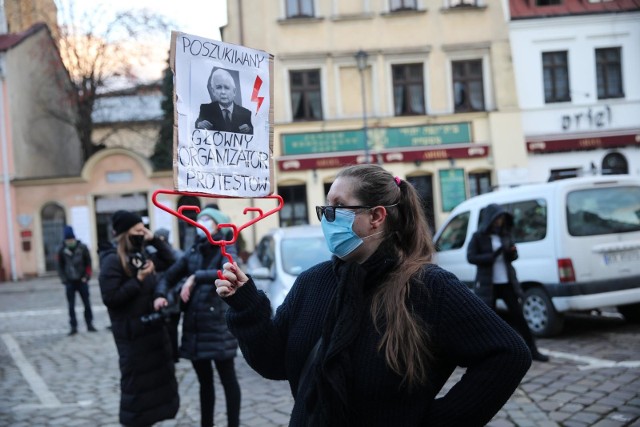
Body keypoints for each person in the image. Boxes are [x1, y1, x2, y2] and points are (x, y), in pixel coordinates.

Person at [215, 164, 532, 426]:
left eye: (338, 207)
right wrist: (246, 304)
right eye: (326, 206)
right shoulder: (313, 283)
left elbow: (509, 353)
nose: (327, 215)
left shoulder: (428, 287)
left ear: (377, 216)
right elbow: (274, 363)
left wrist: (437, 422)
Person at [156, 207, 241, 427]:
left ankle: (233, 424)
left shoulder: (226, 246)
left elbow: (229, 270)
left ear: (218, 224)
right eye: (201, 219)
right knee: (205, 383)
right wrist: (160, 294)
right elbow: (169, 275)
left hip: (218, 326)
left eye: (209, 219)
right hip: (195, 327)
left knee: (228, 379)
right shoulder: (193, 250)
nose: (203, 223)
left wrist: (195, 277)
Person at [98, 210, 179, 426]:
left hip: (152, 334)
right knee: (137, 396)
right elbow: (111, 298)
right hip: (133, 339)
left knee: (155, 397)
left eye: (144, 229)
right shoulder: (112, 261)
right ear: (125, 233)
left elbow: (171, 261)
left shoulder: (141, 253)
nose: (142, 233)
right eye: (138, 230)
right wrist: (139, 280)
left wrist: (154, 239)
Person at [467, 203, 550, 363]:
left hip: (507, 283)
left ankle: (533, 350)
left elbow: (512, 257)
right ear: (490, 219)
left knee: (519, 316)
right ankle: (486, 354)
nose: (500, 222)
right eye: (497, 218)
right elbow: (471, 257)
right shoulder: (478, 236)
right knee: (486, 320)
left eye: (502, 219)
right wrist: (491, 256)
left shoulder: (505, 234)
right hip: (488, 285)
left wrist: (512, 253)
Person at [57, 225, 96, 335]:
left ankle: (89, 324)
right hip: (70, 282)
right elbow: (60, 266)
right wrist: (64, 279)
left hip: (82, 280)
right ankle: (73, 326)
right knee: (71, 306)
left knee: (87, 304)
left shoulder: (82, 248)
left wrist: (87, 277)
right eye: (68, 239)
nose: (70, 241)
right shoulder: (62, 250)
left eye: (71, 239)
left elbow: (88, 263)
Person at [195, 68, 253, 134]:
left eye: (227, 87)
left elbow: (255, 134)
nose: (223, 92)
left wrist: (249, 130)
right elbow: (196, 124)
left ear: (234, 91)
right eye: (219, 87)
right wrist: (199, 125)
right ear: (213, 91)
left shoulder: (246, 113)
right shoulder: (205, 109)